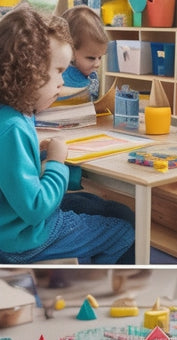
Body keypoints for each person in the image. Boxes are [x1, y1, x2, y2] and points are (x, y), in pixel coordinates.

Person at [0, 5, 135, 264]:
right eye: (58, 72)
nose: (63, 82)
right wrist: (56, 163)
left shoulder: (13, 114)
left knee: (105, 207)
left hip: (15, 229)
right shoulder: (13, 128)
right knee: (124, 232)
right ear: (29, 74)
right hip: (26, 239)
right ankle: (85, 284)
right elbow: (36, 208)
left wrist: (38, 149)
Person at [59, 5, 108, 102]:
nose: (98, 64)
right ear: (70, 51)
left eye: (100, 57)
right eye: (91, 58)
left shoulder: (88, 72)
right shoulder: (66, 79)